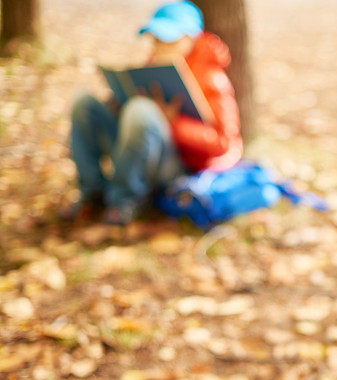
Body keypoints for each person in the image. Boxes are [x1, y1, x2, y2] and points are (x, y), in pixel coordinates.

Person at [62, 0, 242, 224]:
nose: (158, 46)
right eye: (155, 39)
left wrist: (173, 123)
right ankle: (92, 193)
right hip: (143, 152)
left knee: (140, 111)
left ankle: (124, 201)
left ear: (191, 38)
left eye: (167, 39)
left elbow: (223, 143)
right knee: (84, 103)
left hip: (179, 167)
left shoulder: (213, 79)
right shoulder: (154, 66)